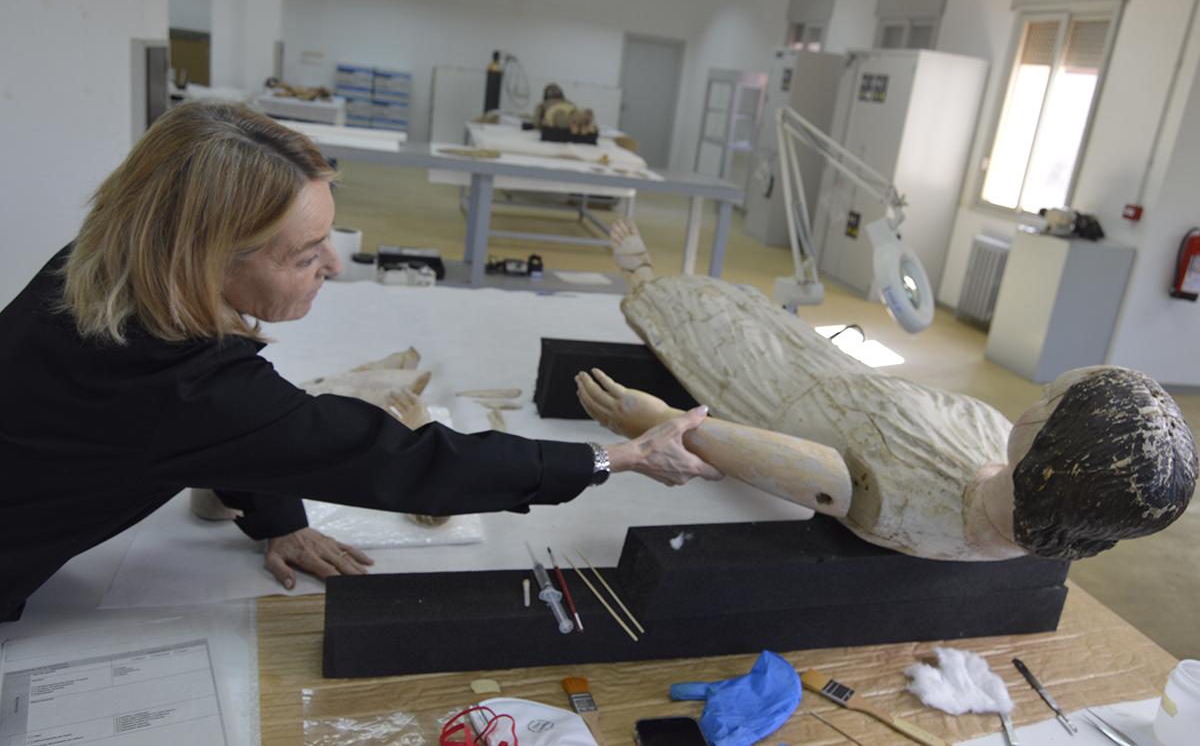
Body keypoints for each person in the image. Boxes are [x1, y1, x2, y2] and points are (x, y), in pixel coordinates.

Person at [0, 102, 721, 622]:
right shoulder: (189, 385)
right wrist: (613, 460)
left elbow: (218, 434)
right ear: (206, 257)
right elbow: (410, 462)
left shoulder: (99, 269)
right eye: (306, 255)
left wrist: (276, 513)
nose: (335, 267)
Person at [575, 219, 1197, 562]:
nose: (1034, 402)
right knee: (745, 303)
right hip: (832, 371)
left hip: (776, 391)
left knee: (704, 316)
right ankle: (654, 278)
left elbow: (784, 462)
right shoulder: (1001, 455)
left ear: (1056, 456)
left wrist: (658, 422)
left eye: (1049, 404)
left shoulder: (897, 501)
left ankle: (643, 277)